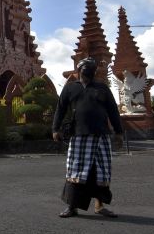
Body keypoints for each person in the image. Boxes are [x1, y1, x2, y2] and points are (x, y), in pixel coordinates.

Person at [52, 57, 123, 218]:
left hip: (101, 136)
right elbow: (60, 109)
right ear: (78, 71)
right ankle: (72, 207)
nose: (87, 74)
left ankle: (100, 206)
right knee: (75, 171)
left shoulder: (102, 88)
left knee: (101, 171)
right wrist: (55, 129)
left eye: (90, 71)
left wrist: (118, 132)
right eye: (84, 71)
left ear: (94, 72)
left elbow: (113, 110)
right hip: (79, 136)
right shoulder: (70, 88)